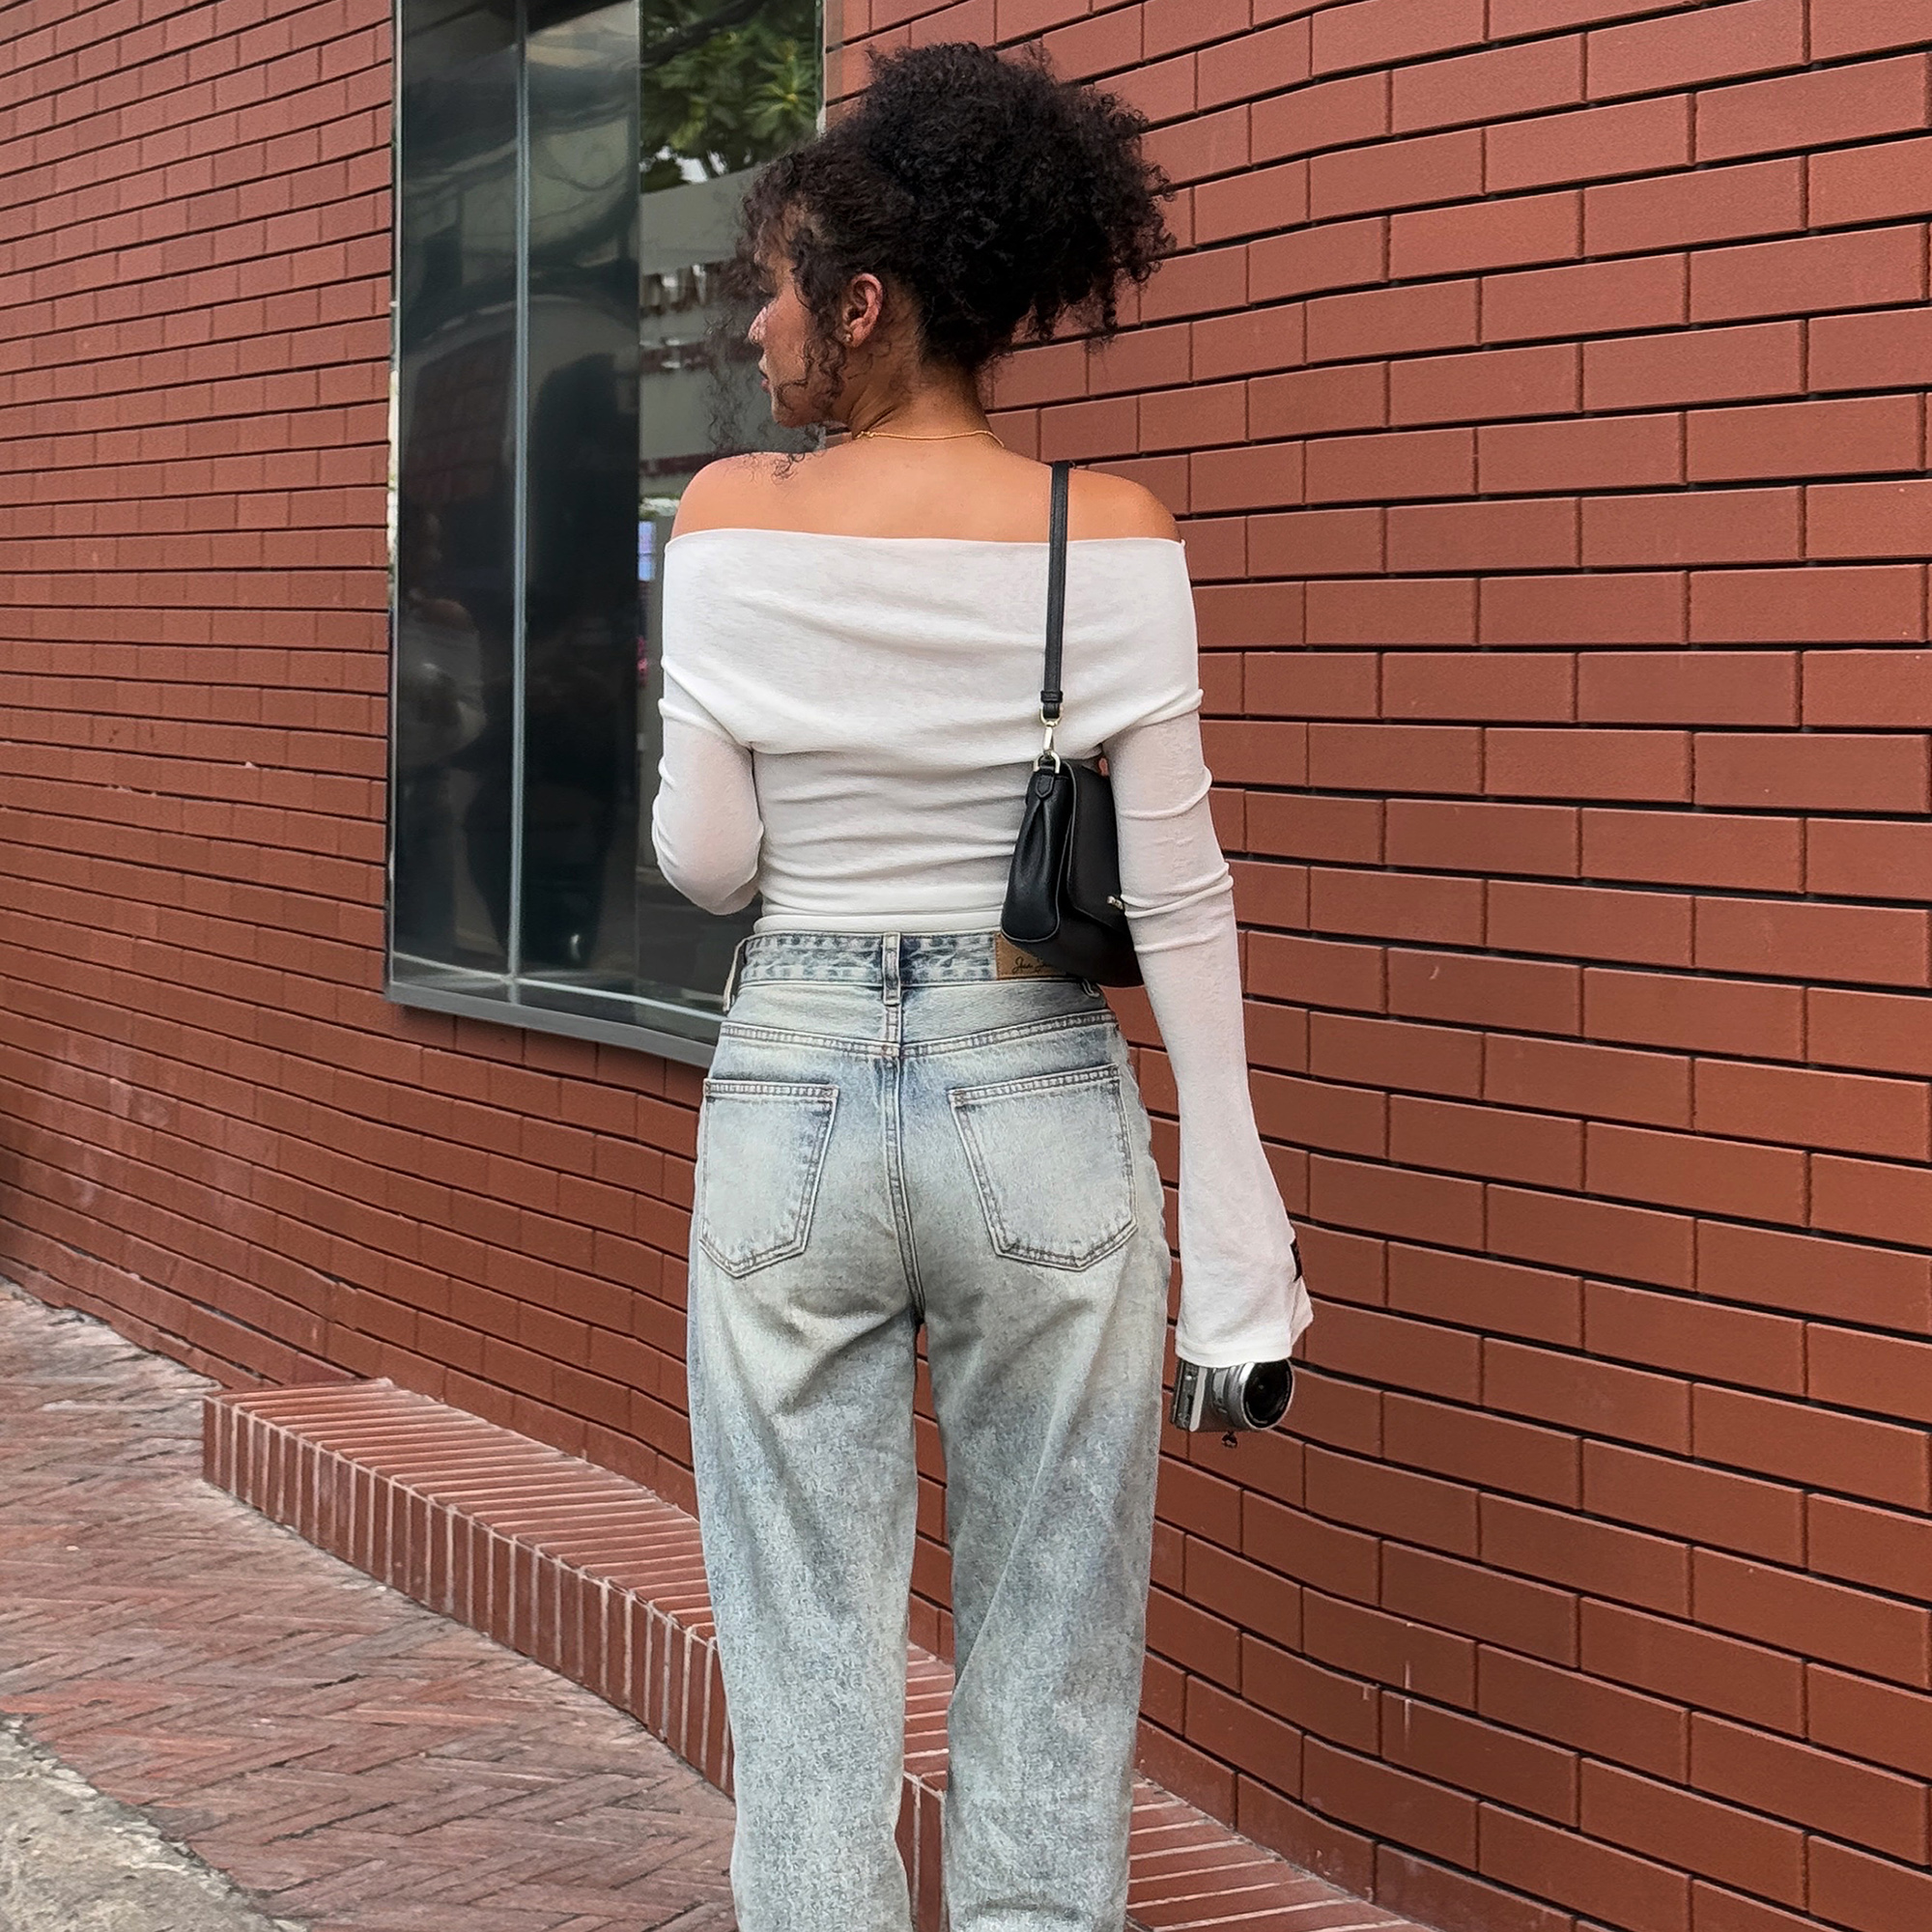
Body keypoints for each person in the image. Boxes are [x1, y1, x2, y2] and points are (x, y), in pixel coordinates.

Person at [650, 42, 1313, 1932]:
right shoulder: (1113, 539)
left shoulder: (729, 519)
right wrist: (1239, 1233)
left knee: (804, 1684)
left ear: (864, 302)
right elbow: (1178, 896)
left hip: (793, 1091)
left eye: (777, 287)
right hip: (1036, 1095)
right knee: (1050, 1665)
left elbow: (705, 861)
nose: (759, 327)